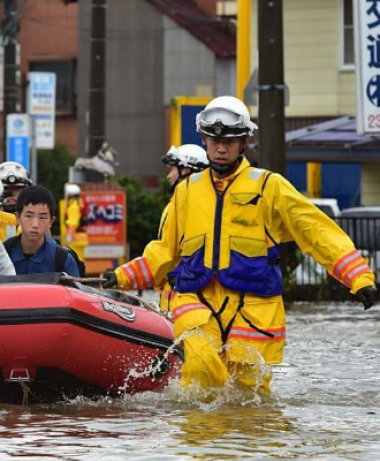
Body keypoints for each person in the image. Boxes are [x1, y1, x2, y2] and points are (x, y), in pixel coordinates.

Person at [102, 95, 377, 394]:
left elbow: (317, 231)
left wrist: (359, 279)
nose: (221, 148)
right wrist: (122, 276)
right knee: (200, 372)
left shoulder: (269, 187)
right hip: (198, 303)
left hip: (253, 310)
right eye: (214, 140)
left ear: (245, 141)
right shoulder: (186, 193)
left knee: (248, 396)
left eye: (230, 141)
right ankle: (201, 438)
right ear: (204, 140)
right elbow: (165, 251)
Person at [157, 144, 210, 311]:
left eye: (172, 169)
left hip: (186, 295)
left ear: (186, 170)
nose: (169, 175)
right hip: (173, 294)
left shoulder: (197, 205)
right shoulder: (176, 204)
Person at [5, 185, 80, 276]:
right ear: (17, 218)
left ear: (51, 221)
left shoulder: (62, 258)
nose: (35, 225)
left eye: (43, 217)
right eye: (29, 216)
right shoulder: (3, 253)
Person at [62, 183, 88, 262]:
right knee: (80, 261)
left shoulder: (73, 207)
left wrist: (68, 239)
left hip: (75, 240)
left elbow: (73, 224)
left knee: (75, 262)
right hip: (80, 239)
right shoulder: (80, 204)